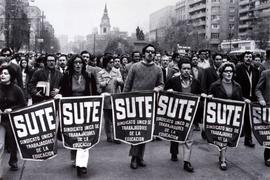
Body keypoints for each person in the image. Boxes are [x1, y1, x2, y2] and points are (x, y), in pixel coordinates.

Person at [123, 44, 164, 169]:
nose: (150, 54)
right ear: (143, 53)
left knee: (145, 131)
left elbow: (162, 84)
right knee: (136, 131)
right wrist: (124, 101)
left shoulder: (158, 69)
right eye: (148, 52)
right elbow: (127, 85)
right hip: (135, 103)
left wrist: (158, 88)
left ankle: (140, 157)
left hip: (149, 104)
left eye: (152, 52)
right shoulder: (135, 67)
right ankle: (134, 158)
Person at [59, 54, 97, 177]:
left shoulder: (89, 76)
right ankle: (75, 159)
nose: (78, 64)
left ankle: (82, 165)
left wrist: (101, 97)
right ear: (72, 64)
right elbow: (62, 92)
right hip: (70, 111)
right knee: (73, 135)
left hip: (85, 111)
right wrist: (60, 96)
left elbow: (94, 93)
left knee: (84, 136)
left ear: (83, 64)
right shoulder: (66, 76)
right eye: (75, 62)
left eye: (80, 62)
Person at [208, 62, 246, 170]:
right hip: (219, 115)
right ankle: (223, 159)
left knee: (228, 136)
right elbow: (210, 97)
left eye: (231, 71)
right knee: (223, 136)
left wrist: (244, 99)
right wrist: (210, 96)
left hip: (232, 116)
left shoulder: (238, 86)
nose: (229, 73)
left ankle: (222, 155)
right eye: (226, 71)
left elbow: (239, 98)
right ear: (222, 73)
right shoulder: (215, 85)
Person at [165, 57, 201, 173]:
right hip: (176, 114)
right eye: (184, 68)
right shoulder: (173, 81)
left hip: (189, 115)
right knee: (175, 135)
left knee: (188, 139)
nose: (186, 71)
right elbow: (164, 94)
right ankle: (174, 152)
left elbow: (199, 95)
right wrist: (168, 92)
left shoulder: (195, 82)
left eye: (188, 68)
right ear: (179, 69)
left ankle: (186, 162)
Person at [0, 65, 26, 178]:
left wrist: (12, 109)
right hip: (0, 120)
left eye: (6, 73)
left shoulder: (17, 89)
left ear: (11, 76)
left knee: (12, 143)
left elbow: (23, 104)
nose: (2, 75)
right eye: (1, 73)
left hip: (12, 120)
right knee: (0, 145)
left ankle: (13, 160)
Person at [235, 51, 260, 147]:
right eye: (246, 57)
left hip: (252, 98)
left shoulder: (255, 70)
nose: (248, 58)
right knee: (240, 118)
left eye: (250, 57)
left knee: (249, 119)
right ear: (243, 58)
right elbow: (236, 85)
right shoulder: (238, 69)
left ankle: (248, 139)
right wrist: (241, 97)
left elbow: (257, 85)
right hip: (241, 97)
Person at [97, 55, 123, 144]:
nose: (112, 64)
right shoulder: (101, 73)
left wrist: (120, 81)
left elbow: (122, 83)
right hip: (106, 98)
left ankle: (116, 136)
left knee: (116, 118)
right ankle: (109, 136)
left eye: (112, 62)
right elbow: (99, 85)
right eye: (110, 62)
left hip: (115, 97)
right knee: (107, 119)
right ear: (105, 63)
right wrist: (104, 83)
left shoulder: (117, 72)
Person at [255, 69, 270, 167]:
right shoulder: (266, 73)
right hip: (268, 107)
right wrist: (261, 99)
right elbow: (257, 89)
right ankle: (268, 156)